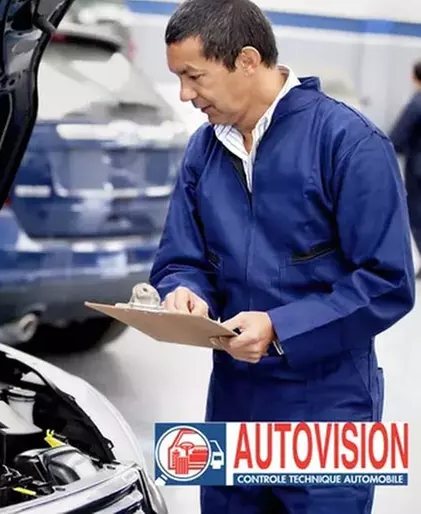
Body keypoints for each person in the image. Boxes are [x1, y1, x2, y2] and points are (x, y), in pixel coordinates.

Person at [148, 0, 416, 513]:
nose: (184, 95)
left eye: (193, 76)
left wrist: (280, 328)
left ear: (247, 60)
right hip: (232, 397)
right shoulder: (204, 150)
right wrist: (184, 291)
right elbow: (183, 256)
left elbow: (387, 283)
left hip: (328, 403)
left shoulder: (350, 145)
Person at [390, 61, 421, 269]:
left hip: (418, 170)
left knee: (418, 214)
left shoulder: (417, 103)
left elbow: (397, 137)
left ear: (413, 77)